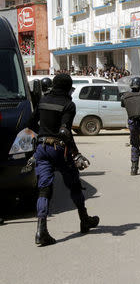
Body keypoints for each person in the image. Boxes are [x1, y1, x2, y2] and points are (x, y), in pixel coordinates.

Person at [26, 73, 99, 246]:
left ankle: (41, 230)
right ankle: (84, 219)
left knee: (44, 189)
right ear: (68, 87)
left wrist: (42, 135)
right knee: (74, 184)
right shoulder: (68, 104)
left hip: (41, 149)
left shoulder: (43, 101)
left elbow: (30, 124)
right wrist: (76, 154)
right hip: (59, 149)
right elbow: (65, 132)